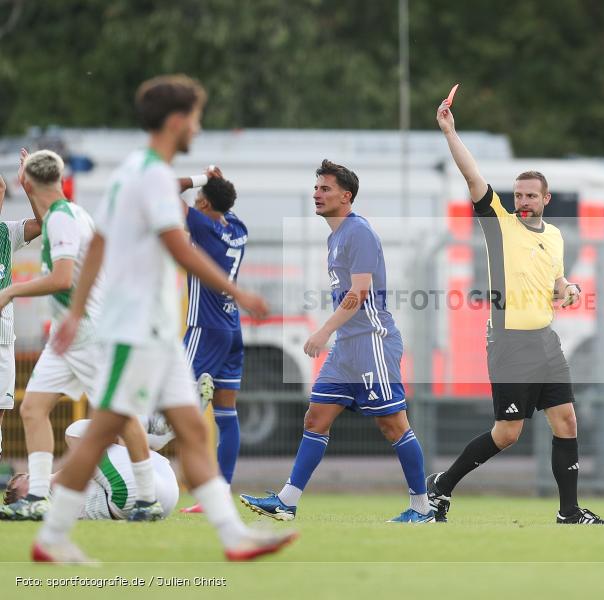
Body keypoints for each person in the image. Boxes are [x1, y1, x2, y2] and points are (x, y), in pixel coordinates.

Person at [32, 74, 296, 564]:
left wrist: (75, 309)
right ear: (178, 121)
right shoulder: (150, 175)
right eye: (195, 116)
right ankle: (50, 535)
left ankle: (233, 538)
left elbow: (102, 247)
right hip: (136, 331)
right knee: (103, 433)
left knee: (190, 433)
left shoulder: (138, 170)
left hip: (151, 332)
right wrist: (238, 290)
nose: (197, 125)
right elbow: (178, 248)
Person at [428, 98, 604, 525]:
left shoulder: (555, 237)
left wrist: (568, 289)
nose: (523, 201)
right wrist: (450, 132)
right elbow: (472, 175)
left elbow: (558, 283)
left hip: (546, 341)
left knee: (566, 420)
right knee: (508, 434)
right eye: (518, 195)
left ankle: (569, 512)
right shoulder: (500, 224)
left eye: (531, 195)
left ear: (546, 198)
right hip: (510, 343)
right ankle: (442, 485)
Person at [240, 159, 434, 523]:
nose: (317, 193)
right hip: (347, 348)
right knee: (315, 419)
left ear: (346, 197)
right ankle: (287, 501)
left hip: (371, 342)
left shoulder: (358, 231)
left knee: (394, 426)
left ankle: (422, 508)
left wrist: (324, 330)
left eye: (325, 188)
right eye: (316, 187)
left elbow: (359, 293)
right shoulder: (336, 236)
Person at [0, 149, 160, 523]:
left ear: (27, 182)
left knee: (117, 413)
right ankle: (38, 496)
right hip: (66, 336)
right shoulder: (69, 213)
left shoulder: (63, 219)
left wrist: (10, 291)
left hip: (87, 332)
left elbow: (60, 278)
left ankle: (147, 499)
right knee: (32, 408)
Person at [175, 167, 247, 513]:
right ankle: (220, 493)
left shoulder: (203, 226)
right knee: (227, 414)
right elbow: (225, 203)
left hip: (204, 328)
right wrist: (216, 186)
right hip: (233, 328)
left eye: (200, 200)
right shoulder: (238, 230)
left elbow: (166, 190)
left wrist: (201, 179)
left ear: (203, 203)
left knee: (173, 409)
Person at [4, 419, 179, 520]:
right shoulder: (48, 494)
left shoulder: (56, 496)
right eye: (27, 480)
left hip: (165, 496)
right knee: (74, 433)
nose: (34, 478)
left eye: (28, 476)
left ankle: (148, 433)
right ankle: (148, 430)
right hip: (132, 494)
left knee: (98, 446)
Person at [0, 171, 42, 460]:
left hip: (3, 341)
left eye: (1, 189)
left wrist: (30, 187)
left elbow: (44, 223)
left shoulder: (7, 232)